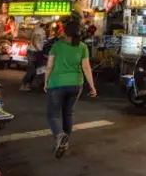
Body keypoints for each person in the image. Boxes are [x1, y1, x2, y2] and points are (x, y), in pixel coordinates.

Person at [44, 21, 96, 158]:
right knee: (68, 113)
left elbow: (49, 66)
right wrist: (92, 86)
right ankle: (65, 142)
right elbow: (86, 68)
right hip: (76, 84)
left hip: (56, 84)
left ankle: (60, 136)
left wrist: (45, 81)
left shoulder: (57, 46)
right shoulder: (83, 47)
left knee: (53, 115)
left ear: (65, 32)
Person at [21, 22, 47, 91]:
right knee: (32, 70)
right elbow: (34, 40)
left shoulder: (39, 30)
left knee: (34, 70)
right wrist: (38, 49)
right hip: (33, 52)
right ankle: (23, 84)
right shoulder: (40, 30)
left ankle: (28, 85)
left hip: (34, 51)